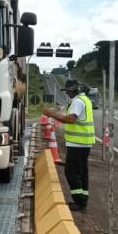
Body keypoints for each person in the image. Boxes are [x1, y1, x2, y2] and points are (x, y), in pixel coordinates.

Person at [43, 79, 94, 211]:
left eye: (68, 91)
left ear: (74, 91)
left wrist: (52, 114)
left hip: (78, 143)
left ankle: (79, 202)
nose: (67, 94)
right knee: (81, 172)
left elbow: (70, 119)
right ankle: (82, 200)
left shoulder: (78, 102)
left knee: (71, 172)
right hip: (83, 143)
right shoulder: (85, 100)